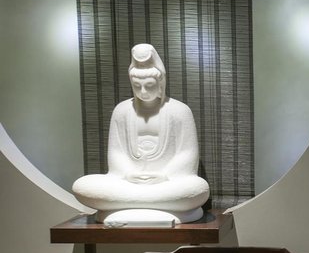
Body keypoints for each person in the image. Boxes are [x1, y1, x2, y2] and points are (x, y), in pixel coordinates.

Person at [72, 44, 209, 224]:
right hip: (129, 181)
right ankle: (161, 204)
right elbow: (116, 153)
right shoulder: (122, 111)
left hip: (168, 182)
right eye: (137, 86)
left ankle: (123, 205)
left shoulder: (179, 111)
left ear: (160, 83)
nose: (143, 92)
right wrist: (128, 174)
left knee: (197, 189)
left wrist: (164, 175)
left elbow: (187, 154)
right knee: (83, 186)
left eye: (149, 85)